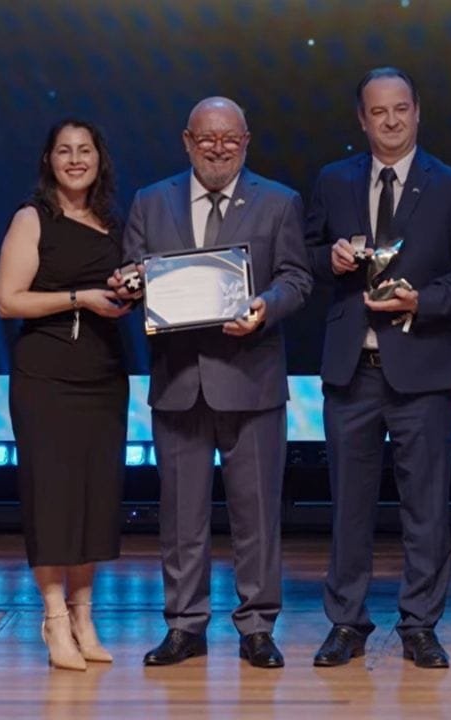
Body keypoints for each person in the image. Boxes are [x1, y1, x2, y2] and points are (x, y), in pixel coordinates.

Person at [118, 96, 312, 669]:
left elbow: (297, 278)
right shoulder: (150, 201)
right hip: (178, 380)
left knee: (257, 515)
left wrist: (266, 305)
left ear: (246, 142)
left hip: (251, 380)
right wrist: (130, 283)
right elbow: (133, 272)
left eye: (230, 139)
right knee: (181, 515)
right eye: (207, 139)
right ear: (187, 141)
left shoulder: (279, 202)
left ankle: (257, 626)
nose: (218, 149)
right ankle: (185, 625)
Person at [304, 67, 451, 669]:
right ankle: (346, 622)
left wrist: (421, 301)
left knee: (425, 507)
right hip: (351, 369)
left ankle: (419, 624)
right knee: (348, 506)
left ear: (417, 111)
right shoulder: (334, 180)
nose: (391, 121)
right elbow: (305, 257)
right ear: (362, 119)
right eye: (378, 111)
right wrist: (329, 258)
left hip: (423, 366)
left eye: (400, 109)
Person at [0, 119, 134, 671]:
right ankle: (54, 618)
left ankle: (83, 616)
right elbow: (8, 300)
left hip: (104, 376)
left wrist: (125, 292)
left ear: (100, 159)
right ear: (49, 160)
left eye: (85, 150)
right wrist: (79, 297)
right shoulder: (33, 219)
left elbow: (118, 292)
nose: (75, 160)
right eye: (64, 151)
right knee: (52, 500)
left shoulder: (112, 224)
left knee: (95, 500)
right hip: (46, 379)